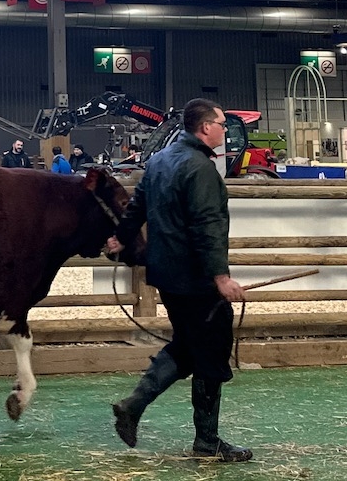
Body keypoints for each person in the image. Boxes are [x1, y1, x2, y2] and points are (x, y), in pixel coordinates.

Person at [104, 99, 251, 462]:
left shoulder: (159, 160)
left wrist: (122, 238)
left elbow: (136, 206)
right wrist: (221, 276)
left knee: (188, 345)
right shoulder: (200, 168)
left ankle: (133, 405)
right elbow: (207, 226)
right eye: (220, 123)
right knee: (212, 350)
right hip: (196, 278)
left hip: (167, 274)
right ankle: (207, 442)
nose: (223, 129)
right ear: (205, 128)